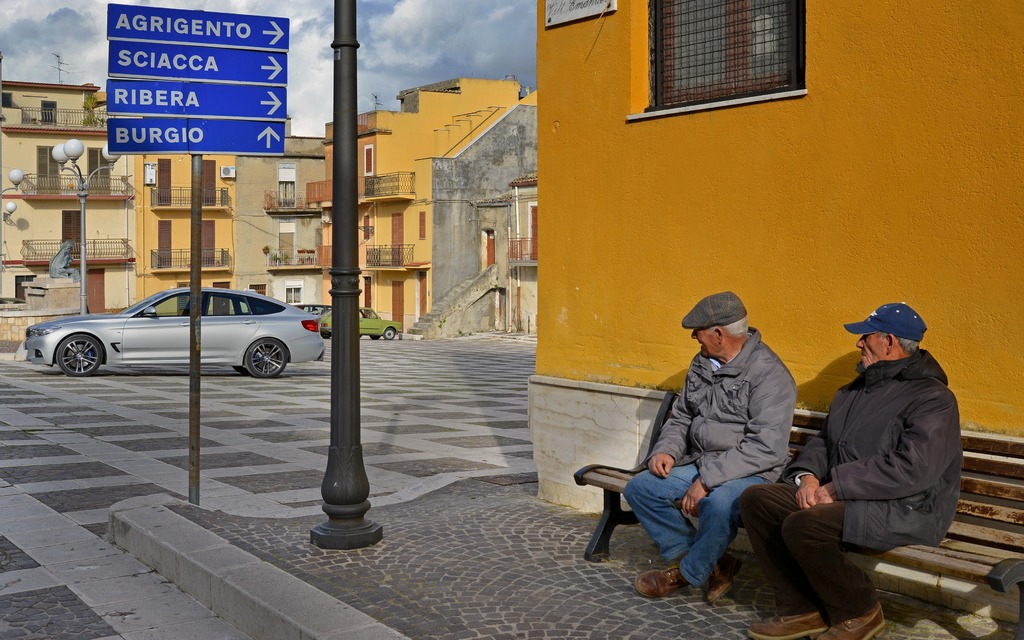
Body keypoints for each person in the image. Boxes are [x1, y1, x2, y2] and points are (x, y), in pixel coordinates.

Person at [740, 302, 962, 640]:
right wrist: (809, 478)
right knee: (758, 499)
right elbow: (824, 443)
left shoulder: (933, 398)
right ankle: (802, 609)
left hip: (910, 507)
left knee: (806, 525)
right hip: (852, 499)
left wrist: (835, 487)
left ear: (889, 341)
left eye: (865, 336)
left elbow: (912, 468)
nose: (858, 343)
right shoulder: (851, 392)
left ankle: (860, 610)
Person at [623, 291, 797, 604]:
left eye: (698, 332)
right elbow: (682, 416)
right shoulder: (703, 363)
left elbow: (765, 448)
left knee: (718, 504)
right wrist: (667, 450)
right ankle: (715, 561)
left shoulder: (769, 375)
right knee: (641, 488)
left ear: (718, 334)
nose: (694, 338)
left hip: (754, 472)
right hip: (704, 460)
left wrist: (706, 481)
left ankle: (687, 573)